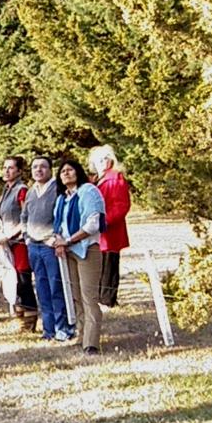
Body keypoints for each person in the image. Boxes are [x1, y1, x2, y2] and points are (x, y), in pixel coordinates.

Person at [51, 159, 106, 355]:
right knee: (75, 296)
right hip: (69, 251)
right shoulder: (62, 199)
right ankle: (82, 336)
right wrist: (59, 241)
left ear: (78, 172)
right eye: (62, 171)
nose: (66, 173)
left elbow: (93, 223)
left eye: (70, 170)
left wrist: (69, 240)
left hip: (86, 249)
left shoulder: (89, 192)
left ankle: (92, 343)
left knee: (88, 296)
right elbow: (58, 226)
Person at [21, 156, 71, 341]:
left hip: (50, 246)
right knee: (41, 288)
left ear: (50, 169)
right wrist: (26, 237)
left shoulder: (57, 189)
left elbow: (63, 217)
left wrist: (57, 238)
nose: (38, 170)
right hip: (33, 247)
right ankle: (48, 330)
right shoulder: (31, 191)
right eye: (35, 167)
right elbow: (24, 216)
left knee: (56, 287)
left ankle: (63, 328)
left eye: (43, 166)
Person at [0, 156, 38, 332]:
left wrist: (14, 234)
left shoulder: (21, 190)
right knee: (12, 280)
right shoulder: (7, 189)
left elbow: (26, 216)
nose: (7, 171)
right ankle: (19, 317)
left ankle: (30, 318)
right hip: (8, 241)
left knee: (23, 280)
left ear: (19, 171)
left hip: (20, 241)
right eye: (5, 167)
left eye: (11, 168)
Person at [89, 144, 131, 308]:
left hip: (110, 231)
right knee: (99, 265)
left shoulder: (115, 178)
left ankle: (107, 299)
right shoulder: (96, 180)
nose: (102, 162)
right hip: (97, 231)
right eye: (98, 159)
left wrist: (103, 223)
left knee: (109, 265)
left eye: (105, 158)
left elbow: (121, 205)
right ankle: (100, 297)